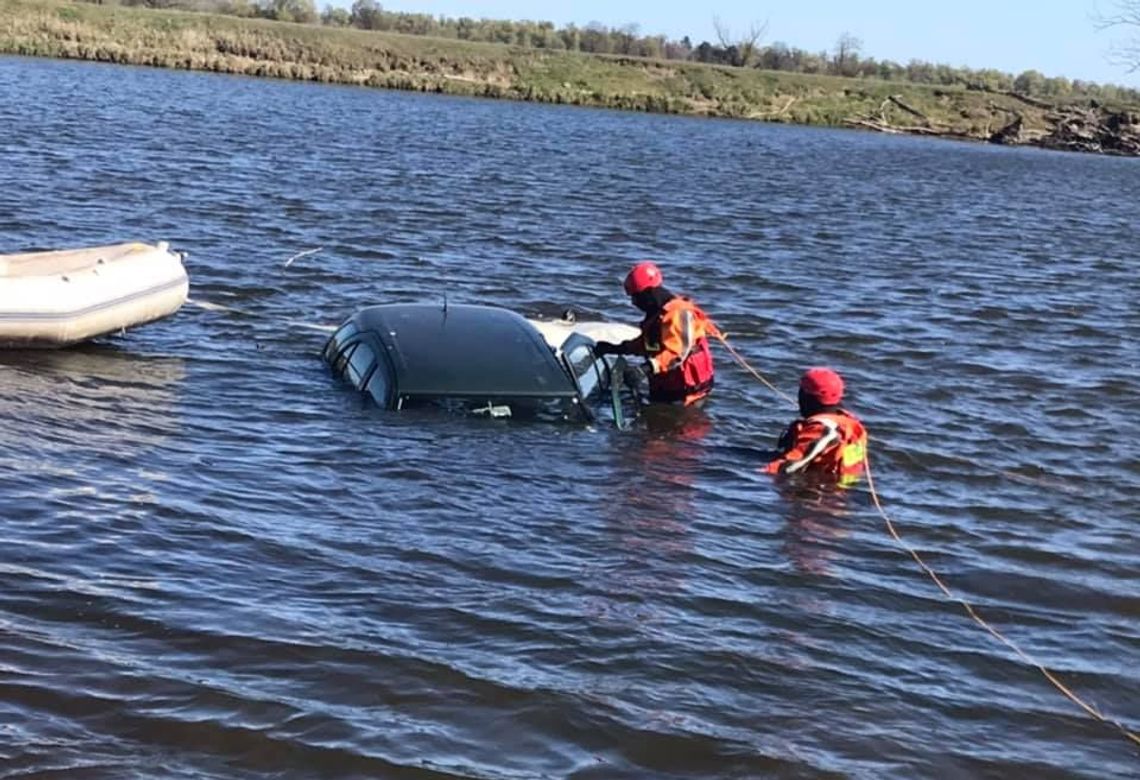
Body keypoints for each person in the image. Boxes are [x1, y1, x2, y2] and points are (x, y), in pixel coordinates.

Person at [593, 261, 719, 407]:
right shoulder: (658, 314)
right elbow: (648, 345)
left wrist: (643, 370)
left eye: (636, 297)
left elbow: (676, 354)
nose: (633, 303)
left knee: (677, 426)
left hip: (687, 397)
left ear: (649, 293)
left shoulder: (678, 313)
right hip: (666, 391)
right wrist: (616, 348)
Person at [764, 367, 868, 486]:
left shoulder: (823, 429)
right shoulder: (850, 423)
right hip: (839, 492)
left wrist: (756, 475)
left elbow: (792, 464)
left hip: (818, 493)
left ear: (806, 396)